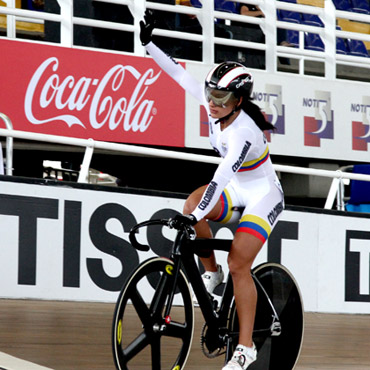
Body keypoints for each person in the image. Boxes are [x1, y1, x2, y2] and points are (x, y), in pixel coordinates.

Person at [140, 10, 284, 370]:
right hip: (238, 187)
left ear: (238, 100)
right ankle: (211, 272)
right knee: (192, 204)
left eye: (220, 97)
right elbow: (178, 73)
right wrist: (148, 44)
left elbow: (220, 177)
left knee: (240, 261)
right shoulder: (213, 105)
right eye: (210, 94)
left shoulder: (243, 133)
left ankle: (246, 348)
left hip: (263, 194)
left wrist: (195, 216)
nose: (212, 102)